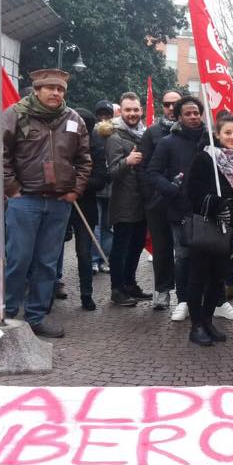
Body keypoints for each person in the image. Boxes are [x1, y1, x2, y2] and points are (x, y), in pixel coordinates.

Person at [2, 69, 91, 337]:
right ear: (37, 90)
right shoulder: (15, 114)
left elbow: (84, 159)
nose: (56, 93)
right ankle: (6, 313)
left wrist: (75, 190)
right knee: (18, 259)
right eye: (50, 88)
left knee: (47, 264)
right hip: (24, 200)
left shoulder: (73, 119)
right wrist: (12, 189)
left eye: (60, 89)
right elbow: (0, 153)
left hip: (59, 202)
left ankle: (36, 317)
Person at [185, 113, 233, 346]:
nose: (232, 137)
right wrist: (214, 204)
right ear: (218, 134)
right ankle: (196, 326)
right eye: (227, 133)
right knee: (198, 278)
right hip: (205, 227)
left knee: (217, 279)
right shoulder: (205, 158)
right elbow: (192, 192)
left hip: (226, 229)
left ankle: (208, 320)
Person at [147, 96, 208, 322]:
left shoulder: (210, 140)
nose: (193, 117)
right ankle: (183, 301)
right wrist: (171, 189)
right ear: (179, 117)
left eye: (196, 113)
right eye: (188, 114)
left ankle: (205, 299)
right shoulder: (167, 142)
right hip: (179, 210)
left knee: (205, 256)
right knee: (182, 257)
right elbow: (152, 173)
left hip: (206, 210)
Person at [99, 92, 151, 307]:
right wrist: (128, 161)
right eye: (128, 110)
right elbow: (110, 172)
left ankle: (130, 284)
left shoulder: (144, 134)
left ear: (141, 111)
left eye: (136, 110)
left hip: (143, 201)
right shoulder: (114, 136)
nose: (132, 114)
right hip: (123, 201)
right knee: (121, 247)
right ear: (121, 111)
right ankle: (117, 289)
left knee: (136, 246)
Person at [140, 90, 181, 310]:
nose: (171, 108)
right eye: (167, 104)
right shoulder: (152, 133)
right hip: (158, 201)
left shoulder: (193, 132)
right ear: (162, 106)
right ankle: (162, 290)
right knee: (162, 248)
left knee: (185, 248)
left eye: (176, 104)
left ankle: (185, 295)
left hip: (183, 201)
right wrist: (151, 195)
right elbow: (144, 167)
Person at [66, 108, 108, 311]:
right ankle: (48, 292)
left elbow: (100, 179)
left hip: (85, 205)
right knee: (51, 252)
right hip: (61, 204)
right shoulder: (61, 144)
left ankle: (86, 294)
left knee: (84, 252)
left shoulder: (97, 148)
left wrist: (78, 185)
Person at [92, 99, 116, 273]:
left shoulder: (117, 133)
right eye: (100, 115)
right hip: (96, 188)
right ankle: (94, 258)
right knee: (96, 225)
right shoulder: (90, 134)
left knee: (108, 226)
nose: (104, 118)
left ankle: (105, 258)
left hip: (113, 189)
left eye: (107, 115)